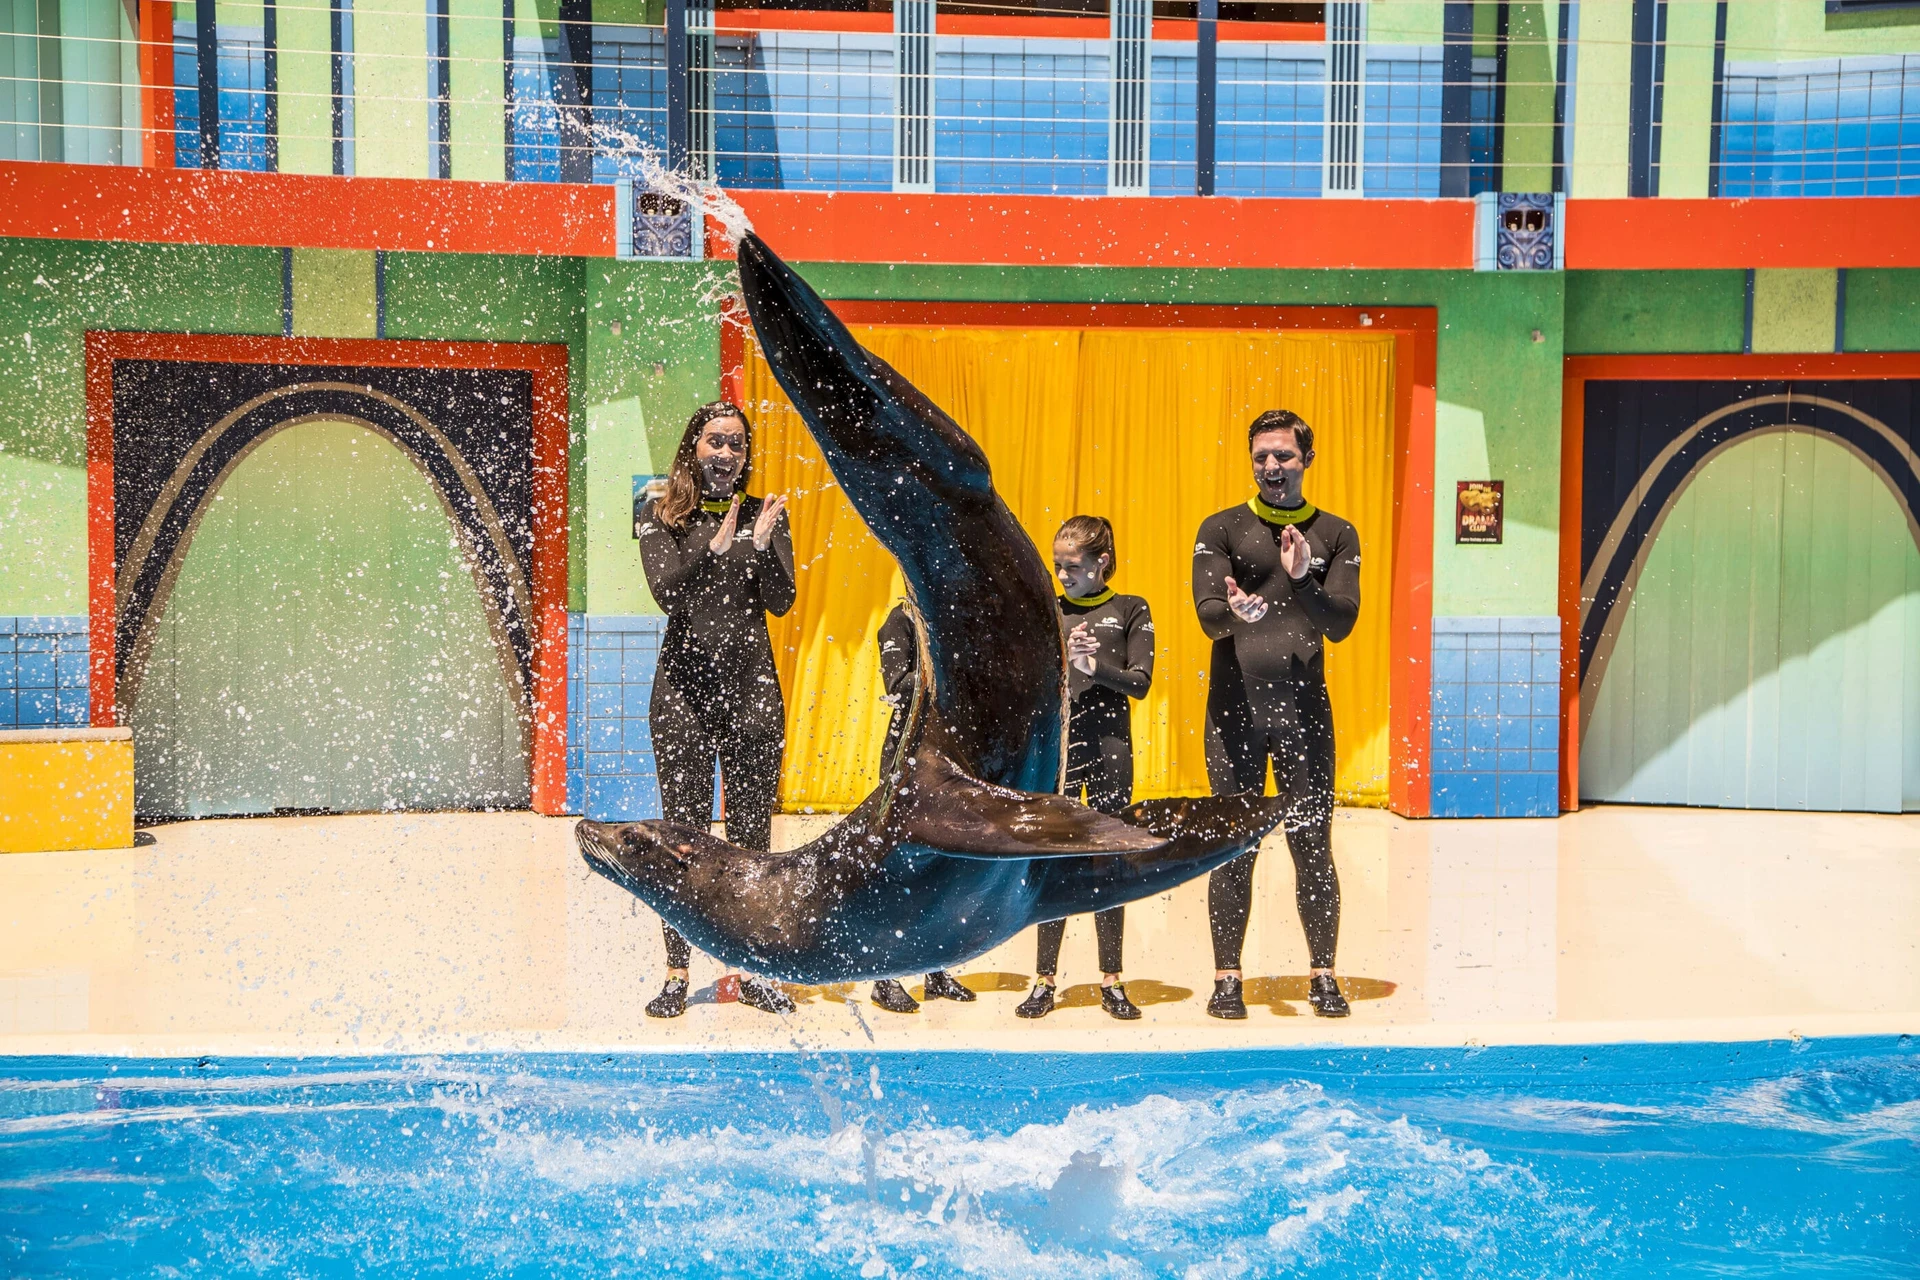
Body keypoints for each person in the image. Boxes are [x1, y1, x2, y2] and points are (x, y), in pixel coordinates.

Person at [1192, 410, 1360, 1019]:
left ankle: (1322, 975)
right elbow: (1209, 616)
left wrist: (1302, 580)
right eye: (1261, 455)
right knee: (1234, 847)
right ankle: (1227, 977)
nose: (1271, 467)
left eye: (1284, 456)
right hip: (1233, 717)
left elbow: (1340, 624)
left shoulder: (1336, 534)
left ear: (1306, 460)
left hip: (1305, 715)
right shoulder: (1221, 528)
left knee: (1312, 844)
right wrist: (1241, 610)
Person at [634, 401, 797, 1019]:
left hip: (750, 690)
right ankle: (677, 972)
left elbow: (782, 601)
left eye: (736, 445)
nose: (726, 454)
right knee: (683, 837)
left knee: (752, 837)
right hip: (682, 695)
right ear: (691, 449)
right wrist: (717, 548)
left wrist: (755, 546)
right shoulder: (660, 514)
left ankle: (751, 968)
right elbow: (668, 592)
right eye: (714, 442)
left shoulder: (765, 516)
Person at [1015, 516, 1154, 1022]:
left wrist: (1098, 669)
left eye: (1072, 567)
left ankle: (1111, 979)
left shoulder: (1131, 609)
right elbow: (1035, 690)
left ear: (1102, 563)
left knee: (1109, 862)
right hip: (1063, 752)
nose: (1062, 575)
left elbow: (1141, 683)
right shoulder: (1047, 612)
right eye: (1057, 566)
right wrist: (1069, 668)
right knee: (1052, 860)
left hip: (1112, 748)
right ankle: (1044, 979)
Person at [866, 602, 980, 1015]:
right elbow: (898, 684)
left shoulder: (949, 622)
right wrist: (954, 677)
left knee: (940, 870)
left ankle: (935, 969)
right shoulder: (898, 622)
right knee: (896, 871)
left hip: (945, 761)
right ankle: (883, 974)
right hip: (905, 759)